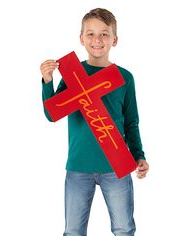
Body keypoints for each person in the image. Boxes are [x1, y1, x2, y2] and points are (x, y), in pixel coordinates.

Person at [40, 8, 149, 236]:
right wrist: (47, 82)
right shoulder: (73, 74)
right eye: (90, 34)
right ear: (81, 39)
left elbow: (131, 122)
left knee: (124, 229)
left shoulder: (125, 77)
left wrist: (139, 155)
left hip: (116, 166)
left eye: (104, 34)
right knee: (73, 231)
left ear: (114, 39)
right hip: (78, 166)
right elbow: (53, 114)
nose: (97, 40)